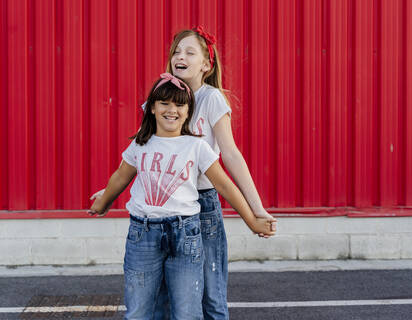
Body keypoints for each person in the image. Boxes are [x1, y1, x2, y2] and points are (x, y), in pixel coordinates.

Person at [91, 26, 277, 319]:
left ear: (206, 64)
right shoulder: (160, 98)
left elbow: (230, 155)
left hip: (201, 206)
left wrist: (256, 210)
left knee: (209, 293)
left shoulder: (211, 98)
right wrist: (108, 192)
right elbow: (141, 155)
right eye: (176, 51)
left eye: (190, 52)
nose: (180, 56)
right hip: (161, 213)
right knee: (164, 297)